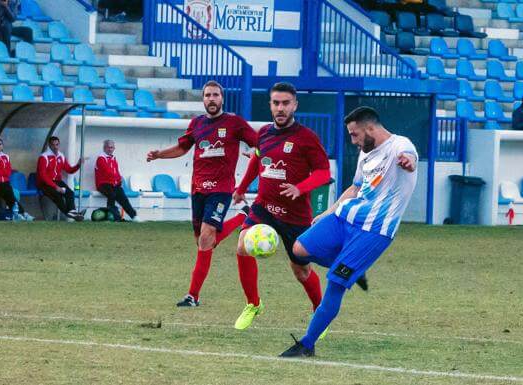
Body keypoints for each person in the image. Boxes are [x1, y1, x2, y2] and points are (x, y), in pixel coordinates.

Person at [279, 106, 418, 357]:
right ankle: (353, 270)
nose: (352, 140)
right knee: (299, 249)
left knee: (334, 284)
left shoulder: (400, 145)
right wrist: (328, 212)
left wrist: (409, 163)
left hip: (373, 232)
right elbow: (354, 189)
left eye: (355, 135)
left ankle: (307, 344)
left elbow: (410, 158)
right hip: (345, 218)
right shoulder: (365, 155)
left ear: (370, 128)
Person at [147, 80, 257, 307]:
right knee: (203, 242)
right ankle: (242, 217)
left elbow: (259, 143)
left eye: (216, 95)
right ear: (203, 99)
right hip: (198, 189)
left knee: (207, 236)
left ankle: (192, 296)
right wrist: (159, 154)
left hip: (222, 188)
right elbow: (182, 147)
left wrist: (256, 156)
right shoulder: (197, 123)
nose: (212, 99)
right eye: (207, 95)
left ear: (222, 98)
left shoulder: (234, 123)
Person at [231, 82, 331, 330]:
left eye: (286, 103)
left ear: (295, 105)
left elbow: (323, 172)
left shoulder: (306, 138)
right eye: (276, 103)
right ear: (270, 105)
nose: (281, 108)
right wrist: (242, 188)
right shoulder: (263, 133)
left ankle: (320, 312)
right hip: (264, 206)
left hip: (295, 216)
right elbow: (257, 160)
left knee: (301, 272)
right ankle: (253, 304)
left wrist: (301, 188)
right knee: (242, 246)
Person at [0, 137, 33, 220]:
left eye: (0, 144)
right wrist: (1, 173)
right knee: (1, 193)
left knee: (11, 196)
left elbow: (8, 171)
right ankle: (20, 213)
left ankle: (21, 213)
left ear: (2, 146)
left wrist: (1, 173)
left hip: (4, 182)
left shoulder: (6, 156)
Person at [36, 136, 84, 221]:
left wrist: (78, 165)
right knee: (57, 196)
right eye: (53, 145)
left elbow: (69, 170)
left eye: (57, 144)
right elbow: (42, 175)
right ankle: (71, 214)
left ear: (59, 145)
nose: (55, 147)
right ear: (49, 145)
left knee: (70, 193)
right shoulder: (44, 157)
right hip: (45, 183)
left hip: (57, 181)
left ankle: (72, 211)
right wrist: (56, 187)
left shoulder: (61, 156)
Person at [95, 139, 137, 221]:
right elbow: (107, 172)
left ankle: (134, 216)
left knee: (123, 198)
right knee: (112, 194)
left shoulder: (113, 158)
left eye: (112, 147)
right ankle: (115, 217)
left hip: (113, 184)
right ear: (104, 148)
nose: (110, 149)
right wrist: (116, 181)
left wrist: (119, 181)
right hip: (102, 184)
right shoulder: (101, 158)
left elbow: (116, 172)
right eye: (108, 147)